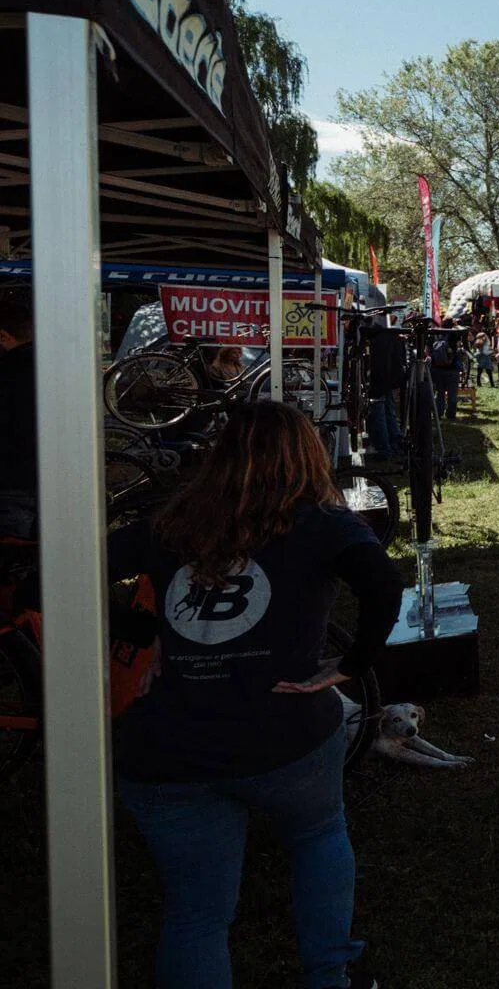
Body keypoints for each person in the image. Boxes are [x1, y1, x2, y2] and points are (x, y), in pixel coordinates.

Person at [108, 401, 402, 989]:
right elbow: (383, 581)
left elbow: (65, 572)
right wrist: (351, 665)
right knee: (318, 835)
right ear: (308, 455)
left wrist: (146, 634)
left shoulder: (174, 520)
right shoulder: (321, 520)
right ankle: (331, 975)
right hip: (284, 735)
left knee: (196, 911)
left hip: (168, 748)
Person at [0, 293, 35, 532]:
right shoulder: (53, 367)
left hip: (13, 494)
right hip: (48, 486)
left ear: (3, 336)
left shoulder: (8, 373)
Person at [364, 315, 408, 458]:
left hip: (380, 380)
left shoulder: (376, 340)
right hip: (392, 380)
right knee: (389, 412)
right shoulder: (391, 336)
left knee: (379, 414)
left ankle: (383, 449)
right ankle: (395, 444)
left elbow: (378, 364)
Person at [428, 321, 461, 421]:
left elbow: (427, 351)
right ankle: (451, 414)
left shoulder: (433, 334)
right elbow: (458, 348)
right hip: (452, 369)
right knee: (452, 393)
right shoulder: (454, 335)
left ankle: (438, 413)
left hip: (436, 368)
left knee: (439, 392)